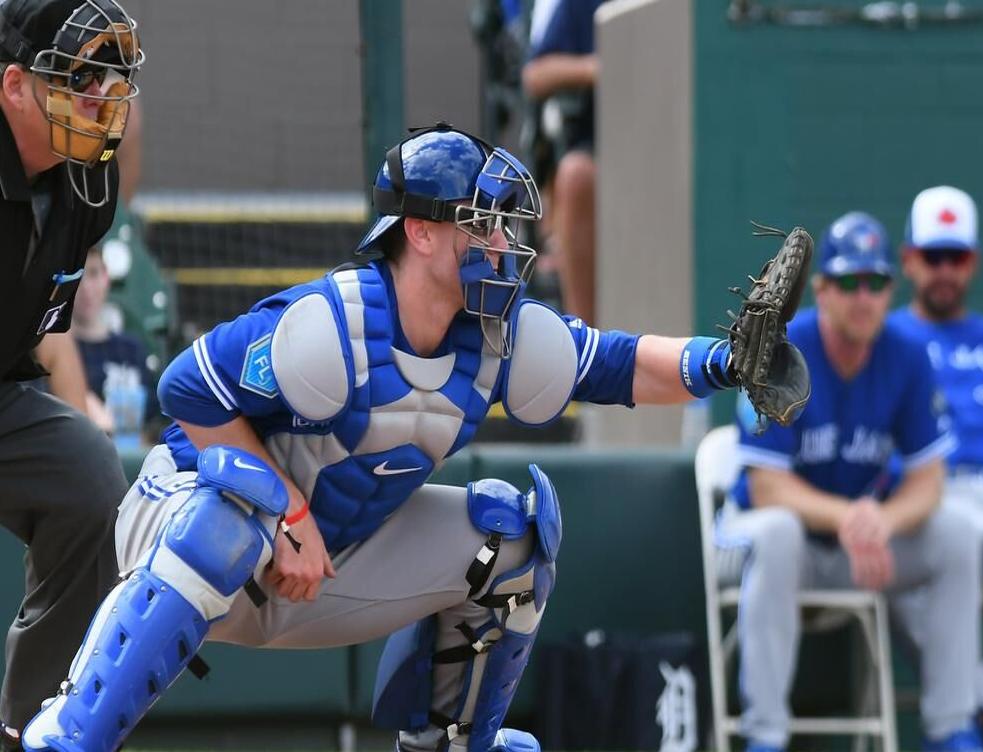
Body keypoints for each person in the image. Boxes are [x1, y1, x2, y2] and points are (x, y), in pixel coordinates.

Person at [21, 124, 802, 752]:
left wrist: (723, 362)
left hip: (329, 562)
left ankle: (447, 743)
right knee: (234, 512)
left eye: (502, 222)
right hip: (187, 530)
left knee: (515, 538)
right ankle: (71, 735)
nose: (501, 240)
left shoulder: (497, 335)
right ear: (421, 233)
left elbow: (619, 365)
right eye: (480, 222)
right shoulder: (330, 324)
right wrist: (286, 512)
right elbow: (186, 390)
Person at [716, 211, 983, 752]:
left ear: (891, 289)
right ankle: (765, 738)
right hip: (759, 548)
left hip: (856, 551)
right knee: (778, 533)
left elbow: (929, 481)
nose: (864, 297)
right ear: (821, 289)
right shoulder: (785, 347)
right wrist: (852, 518)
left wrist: (882, 520)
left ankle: (951, 730)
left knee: (956, 532)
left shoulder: (905, 355)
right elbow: (767, 487)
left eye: (876, 282)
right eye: (848, 282)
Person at [0, 0, 141, 745]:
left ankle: (30, 732)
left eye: (111, 78)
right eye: (78, 76)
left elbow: (43, 330)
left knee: (89, 479)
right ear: (14, 86)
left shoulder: (90, 183)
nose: (101, 95)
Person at [889, 186, 983, 749]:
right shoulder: (884, 338)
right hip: (924, 500)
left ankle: (980, 701)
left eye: (955, 258)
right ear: (909, 259)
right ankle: (958, 727)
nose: (943, 271)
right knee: (901, 572)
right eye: (932, 257)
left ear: (973, 262)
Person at [522, 0, 604, 325]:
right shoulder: (581, 6)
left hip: (682, 140)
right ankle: (585, 345)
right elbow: (536, 74)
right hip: (604, 147)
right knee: (575, 175)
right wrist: (595, 67)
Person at [72, 245, 158, 447]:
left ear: (106, 278)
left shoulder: (131, 349)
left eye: (94, 274)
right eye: (79, 277)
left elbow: (151, 419)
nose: (86, 288)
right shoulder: (59, 354)